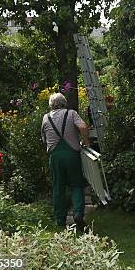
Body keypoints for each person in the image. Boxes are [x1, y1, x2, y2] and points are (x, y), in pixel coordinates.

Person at [41, 93, 90, 231]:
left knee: (58, 187)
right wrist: (86, 142)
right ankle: (78, 213)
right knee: (76, 184)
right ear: (64, 102)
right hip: (72, 155)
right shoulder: (72, 113)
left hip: (55, 156)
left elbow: (44, 139)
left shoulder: (46, 118)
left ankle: (60, 220)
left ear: (51, 105)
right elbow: (83, 127)